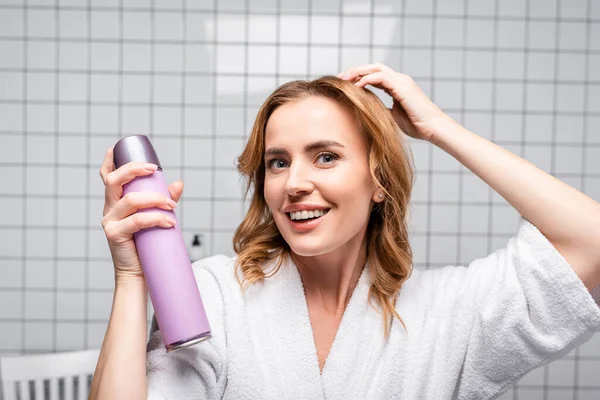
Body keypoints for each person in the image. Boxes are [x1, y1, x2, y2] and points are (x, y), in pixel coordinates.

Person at [89, 63, 600, 400]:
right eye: (277, 162)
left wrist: (438, 127)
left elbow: (591, 240)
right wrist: (132, 276)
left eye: (326, 156)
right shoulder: (213, 295)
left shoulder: (448, 311)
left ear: (379, 180)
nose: (295, 183)